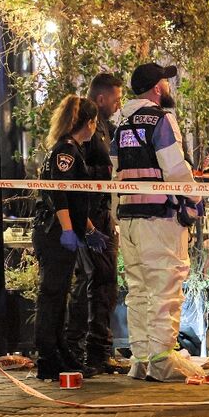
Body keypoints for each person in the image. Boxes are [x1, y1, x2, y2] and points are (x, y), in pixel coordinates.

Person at [110, 62, 204, 382]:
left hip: (129, 218)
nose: (168, 87)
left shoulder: (120, 123)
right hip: (159, 219)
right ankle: (163, 362)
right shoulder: (162, 120)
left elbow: (114, 174)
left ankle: (140, 360)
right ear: (156, 88)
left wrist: (115, 216)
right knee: (165, 288)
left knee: (137, 291)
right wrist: (194, 200)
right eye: (165, 82)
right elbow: (175, 169)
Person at [31, 95, 106, 381]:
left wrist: (87, 229)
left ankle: (59, 349)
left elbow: (75, 200)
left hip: (63, 230)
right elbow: (59, 194)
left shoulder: (70, 149)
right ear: (87, 123)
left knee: (59, 293)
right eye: (94, 123)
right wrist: (66, 229)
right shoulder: (66, 151)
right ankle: (48, 356)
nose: (95, 129)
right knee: (51, 294)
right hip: (54, 232)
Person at [64, 73, 129, 374]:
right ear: (101, 99)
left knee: (103, 282)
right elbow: (77, 175)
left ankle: (97, 350)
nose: (119, 104)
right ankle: (81, 349)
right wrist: (87, 225)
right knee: (95, 280)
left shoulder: (105, 127)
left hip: (100, 213)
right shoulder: (87, 127)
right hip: (89, 216)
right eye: (116, 98)